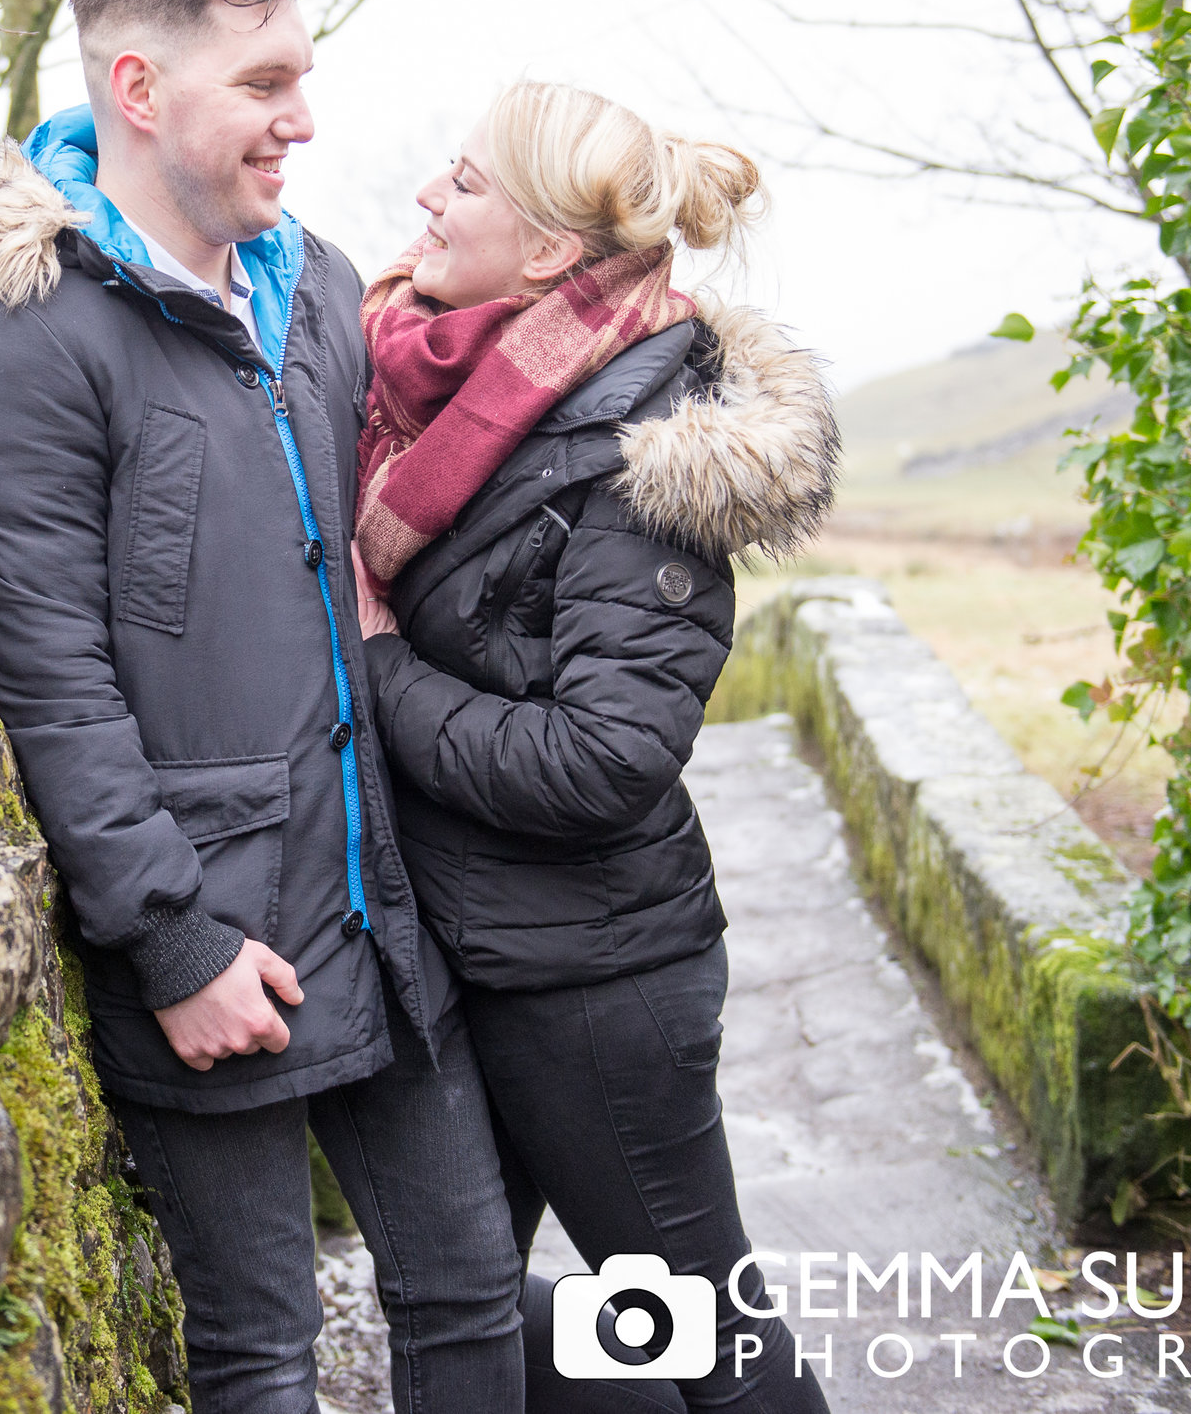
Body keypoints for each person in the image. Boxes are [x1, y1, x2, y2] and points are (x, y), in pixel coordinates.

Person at [0, 0, 524, 1414]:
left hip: (384, 910)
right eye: (264, 82)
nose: (302, 119)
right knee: (260, 1360)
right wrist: (174, 940)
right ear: (139, 85)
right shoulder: (28, 338)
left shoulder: (317, 282)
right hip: (209, 939)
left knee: (473, 1300)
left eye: (303, 76)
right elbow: (48, 673)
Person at [355, 82, 841, 1414]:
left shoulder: (644, 450)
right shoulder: (439, 382)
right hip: (475, 951)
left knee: (706, 1331)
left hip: (594, 980)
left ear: (552, 253)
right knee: (467, 1306)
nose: (424, 204)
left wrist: (378, 659)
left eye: (462, 184)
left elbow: (599, 759)